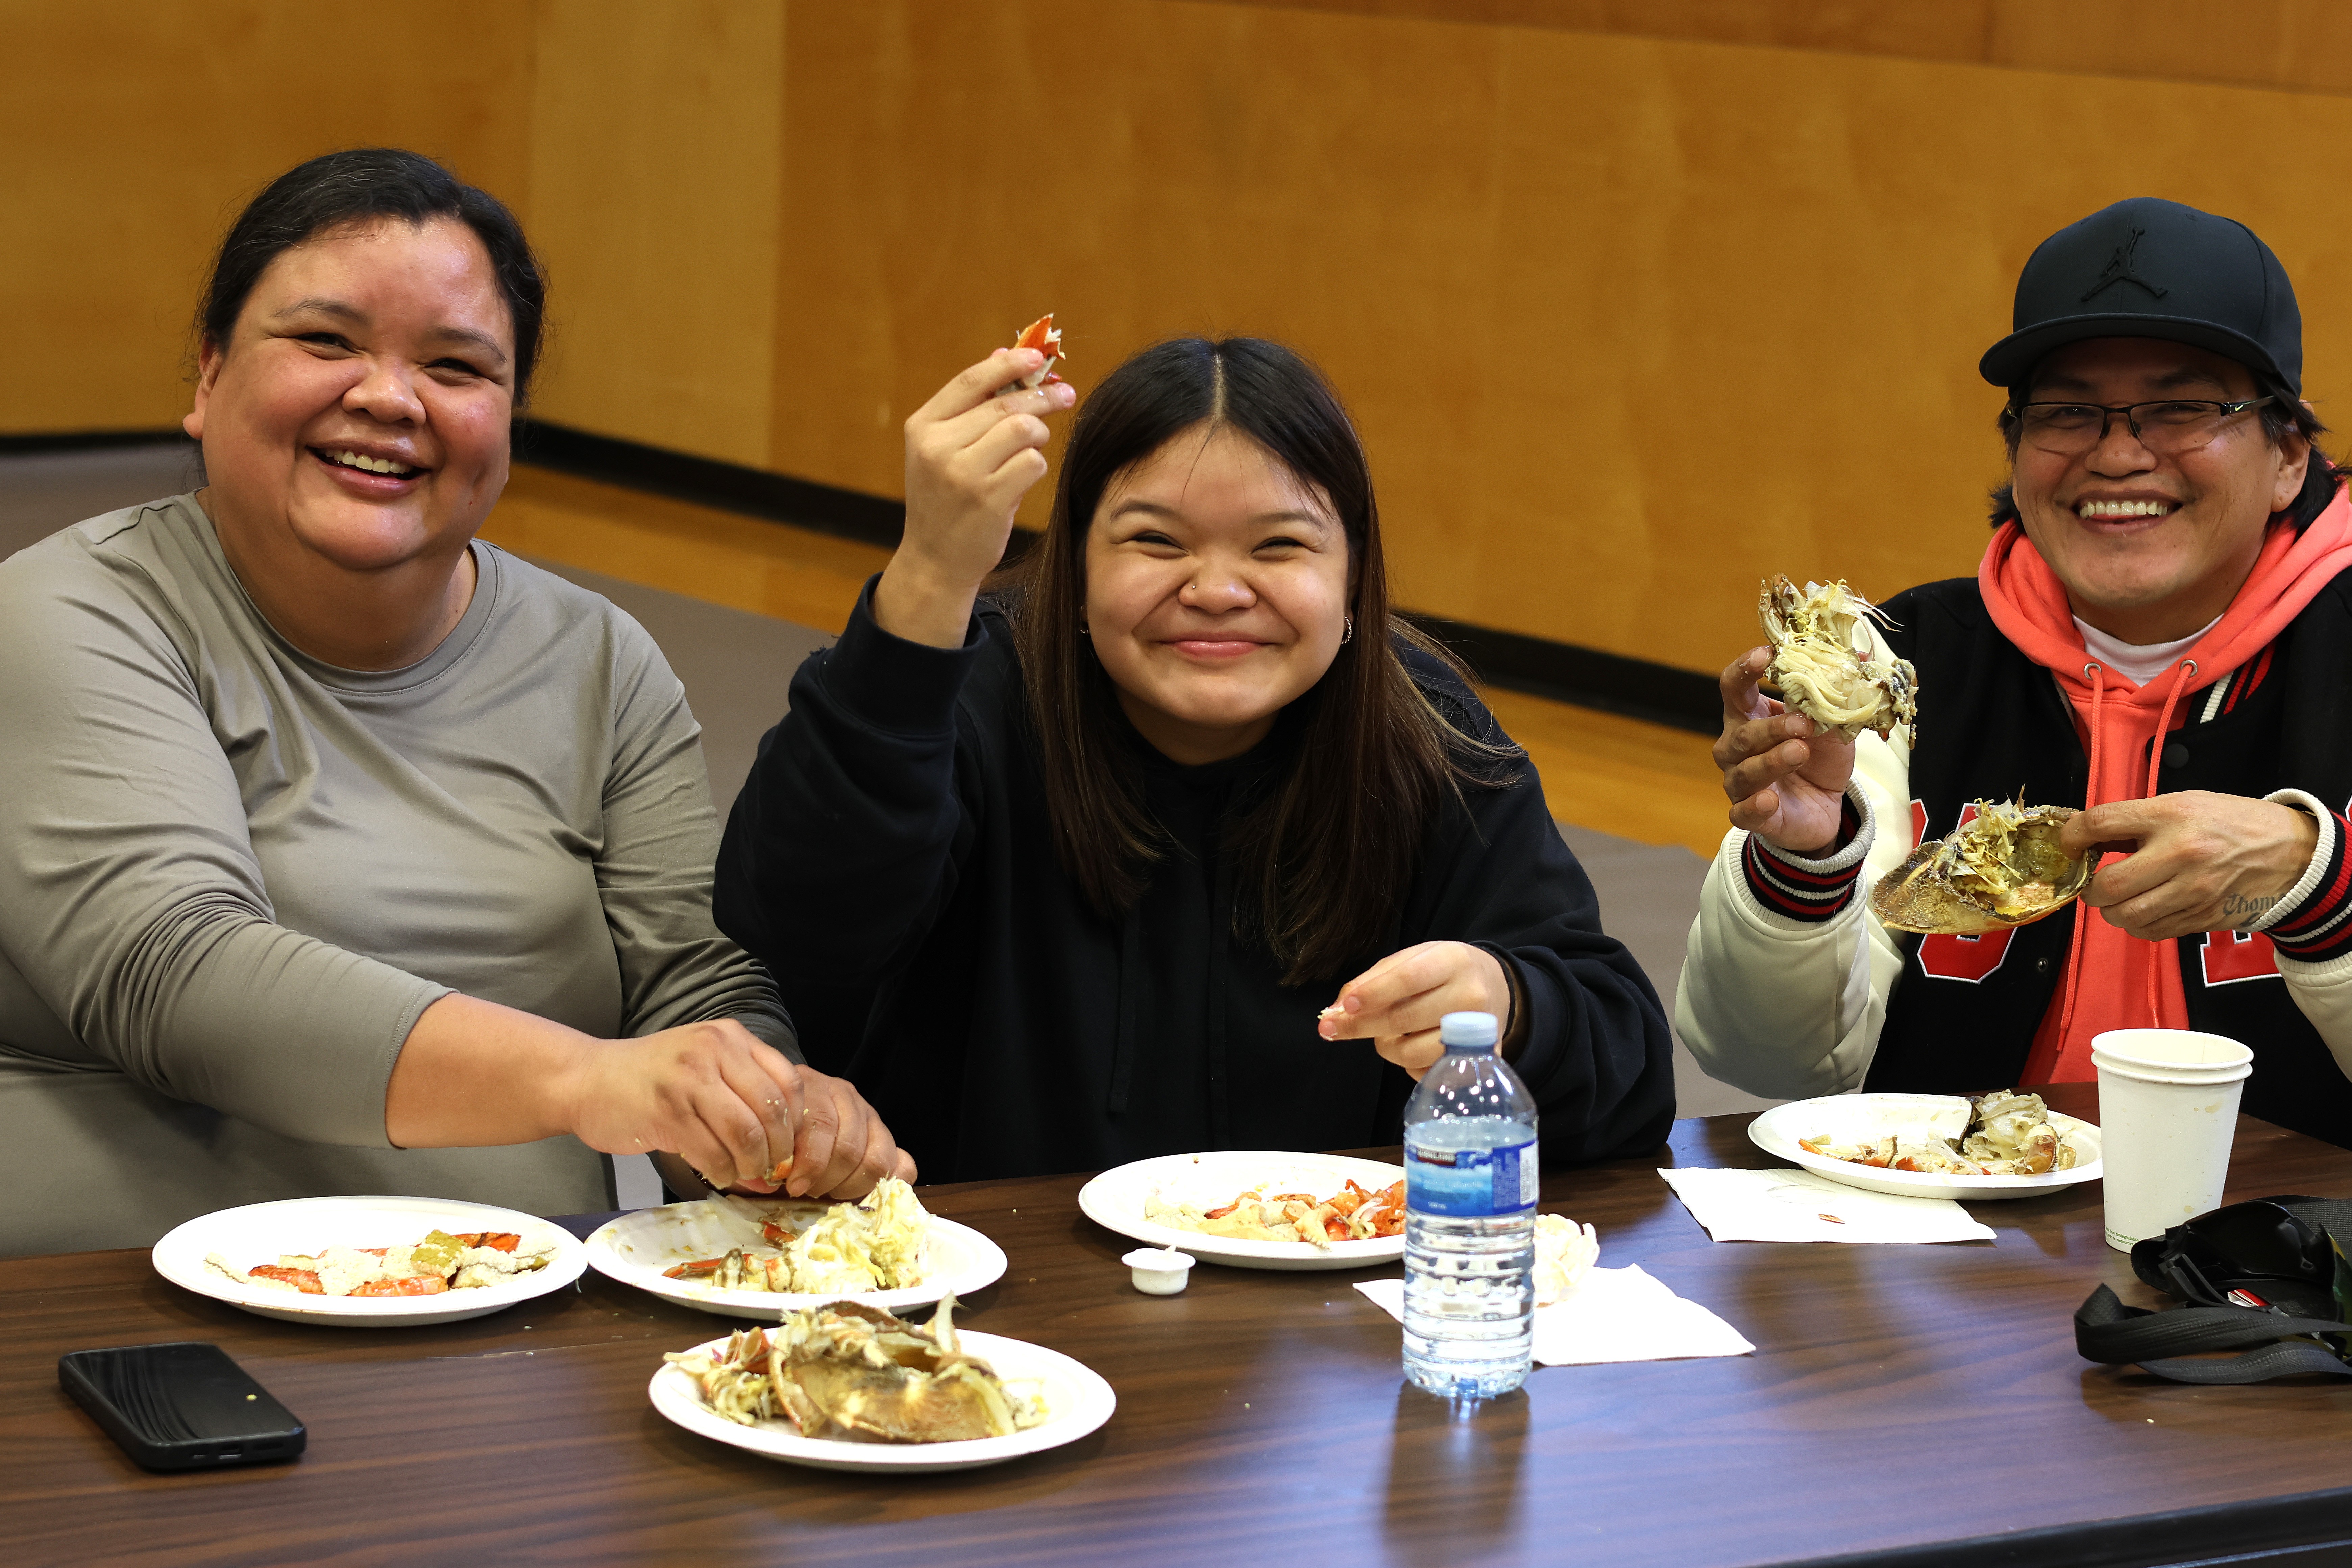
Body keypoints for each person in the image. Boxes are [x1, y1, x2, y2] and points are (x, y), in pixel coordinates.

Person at [0, 149, 909, 1258]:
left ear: (510, 420)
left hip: (514, 1318)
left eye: (457, 366)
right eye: (326, 342)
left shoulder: (599, 657)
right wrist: (588, 1078)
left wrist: (764, 1115)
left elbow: (694, 977)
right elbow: (171, 969)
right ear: (207, 377)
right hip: (128, 1321)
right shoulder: (69, 611)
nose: (388, 397)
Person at [714, 334, 1674, 1182]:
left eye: (1280, 545)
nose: (1217, 590)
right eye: (1155, 541)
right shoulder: (962, 688)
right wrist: (928, 577)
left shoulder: (1421, 729)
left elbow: (1629, 1079)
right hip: (983, 1322)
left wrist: (1514, 1006)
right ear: (1078, 567)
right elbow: (793, 929)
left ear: (1352, 578)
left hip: (1324, 1341)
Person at [1680, 197, 2352, 1147]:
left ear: (2289, 454)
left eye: (2183, 407)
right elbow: (1765, 1062)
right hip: (1955, 1248)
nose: (2119, 454)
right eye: (2070, 411)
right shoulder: (1894, 665)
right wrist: (1801, 862)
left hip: (2295, 1260)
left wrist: (2321, 885)